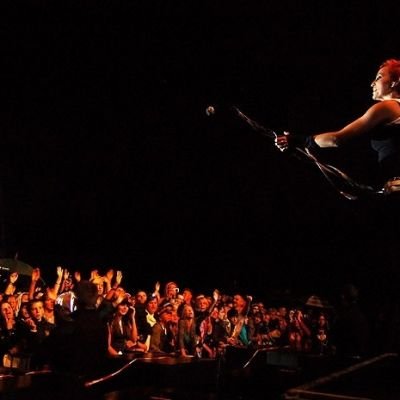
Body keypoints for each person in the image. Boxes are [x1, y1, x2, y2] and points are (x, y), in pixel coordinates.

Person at [275, 58, 400, 194]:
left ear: (395, 81)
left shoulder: (387, 107)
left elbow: (336, 139)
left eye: (379, 77)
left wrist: (300, 140)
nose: (372, 84)